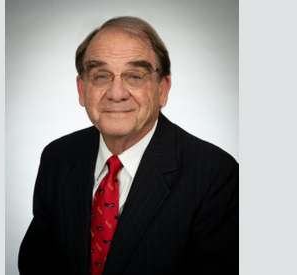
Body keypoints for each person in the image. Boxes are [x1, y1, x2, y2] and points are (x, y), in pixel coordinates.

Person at [18, 16, 239, 275]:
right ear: (82, 89)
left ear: (163, 88)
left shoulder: (214, 174)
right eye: (101, 76)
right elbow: (36, 263)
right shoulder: (57, 157)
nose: (117, 93)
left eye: (135, 76)